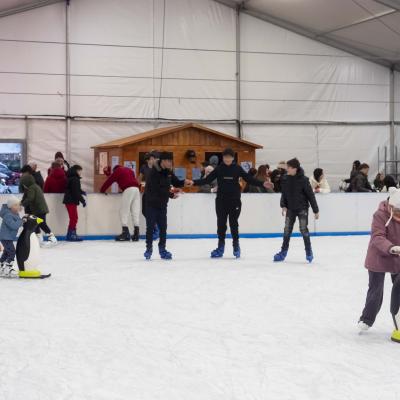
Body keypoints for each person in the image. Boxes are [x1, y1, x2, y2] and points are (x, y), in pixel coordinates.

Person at [192, 148, 270, 258]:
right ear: (223, 158)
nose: (227, 159)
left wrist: (263, 184)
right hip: (221, 201)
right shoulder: (219, 169)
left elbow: (249, 179)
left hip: (234, 201)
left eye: (229, 157)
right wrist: (193, 182)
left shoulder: (237, 168)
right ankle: (220, 247)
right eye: (225, 157)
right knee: (221, 225)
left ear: (233, 158)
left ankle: (236, 245)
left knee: (234, 224)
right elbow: (207, 180)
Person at [358, 187, 400, 343]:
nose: (398, 214)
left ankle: (399, 323)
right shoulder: (380, 215)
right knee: (376, 291)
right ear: (390, 205)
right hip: (379, 256)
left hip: (398, 256)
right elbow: (377, 237)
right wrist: (391, 247)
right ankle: (367, 319)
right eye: (396, 210)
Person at [143, 151, 191, 260]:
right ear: (163, 161)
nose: (170, 163)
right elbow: (157, 189)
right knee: (150, 227)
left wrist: (184, 182)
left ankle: (162, 249)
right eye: (168, 161)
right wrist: (170, 194)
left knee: (163, 228)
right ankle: (148, 249)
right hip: (151, 203)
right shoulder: (154, 172)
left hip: (162, 205)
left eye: (171, 161)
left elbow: (176, 182)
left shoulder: (168, 171)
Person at [273, 158, 319, 263]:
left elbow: (310, 195)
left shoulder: (304, 180)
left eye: (288, 167)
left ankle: (308, 251)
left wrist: (315, 210)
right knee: (287, 230)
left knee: (303, 229)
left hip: (302, 208)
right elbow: (284, 193)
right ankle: (283, 252)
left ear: (295, 168)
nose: (287, 169)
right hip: (290, 209)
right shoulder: (285, 178)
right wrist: (283, 205)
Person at [100, 165, 141, 242]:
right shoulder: (129, 170)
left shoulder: (118, 171)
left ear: (115, 170)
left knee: (123, 211)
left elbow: (110, 180)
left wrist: (102, 190)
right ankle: (136, 234)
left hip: (128, 190)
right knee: (135, 212)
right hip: (136, 190)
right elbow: (123, 179)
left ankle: (125, 233)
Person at [20, 173, 57, 245]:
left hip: (39, 210)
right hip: (38, 210)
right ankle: (39, 238)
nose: (23, 186)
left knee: (41, 223)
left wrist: (22, 204)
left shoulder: (31, 188)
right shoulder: (35, 186)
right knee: (36, 223)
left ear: (26, 182)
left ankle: (52, 237)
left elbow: (30, 198)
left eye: (23, 184)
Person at [0, 196, 23, 276]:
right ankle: (8, 268)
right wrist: (22, 221)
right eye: (16, 205)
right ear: (10, 206)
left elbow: (18, 221)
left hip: (7, 237)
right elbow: (13, 225)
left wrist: (23, 219)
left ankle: (1, 266)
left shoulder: (14, 213)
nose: (18, 207)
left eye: (18, 205)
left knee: (6, 252)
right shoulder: (8, 215)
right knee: (12, 252)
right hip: (5, 237)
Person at [63, 165, 86, 242]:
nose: (80, 173)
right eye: (79, 171)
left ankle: (71, 234)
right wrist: (83, 201)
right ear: (76, 171)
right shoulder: (75, 179)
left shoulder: (71, 178)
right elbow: (75, 192)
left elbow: (75, 189)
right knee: (74, 218)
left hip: (70, 201)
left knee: (74, 218)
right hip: (71, 201)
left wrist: (82, 192)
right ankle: (71, 235)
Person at [139, 151, 159, 240]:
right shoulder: (144, 167)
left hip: (155, 192)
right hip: (147, 192)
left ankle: (156, 230)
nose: (153, 160)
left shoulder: (157, 168)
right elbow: (139, 178)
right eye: (151, 159)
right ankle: (155, 227)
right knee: (144, 211)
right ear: (147, 160)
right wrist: (137, 185)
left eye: (153, 159)